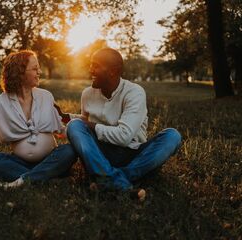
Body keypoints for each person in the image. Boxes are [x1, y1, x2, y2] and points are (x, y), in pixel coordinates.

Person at [59, 48, 181, 200]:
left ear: (113, 71)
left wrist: (89, 125)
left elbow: (124, 137)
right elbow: (84, 121)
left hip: (134, 155)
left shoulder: (134, 93)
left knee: (172, 136)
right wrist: (65, 117)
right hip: (100, 154)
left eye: (96, 66)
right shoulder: (87, 94)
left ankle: (108, 179)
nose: (91, 70)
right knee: (74, 126)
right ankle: (121, 183)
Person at [0, 50, 76, 189]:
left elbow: (61, 127)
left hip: (49, 159)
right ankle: (45, 179)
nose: (39, 72)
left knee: (69, 151)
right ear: (20, 73)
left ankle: (14, 184)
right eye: (35, 69)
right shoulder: (0, 103)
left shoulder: (46, 96)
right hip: (19, 163)